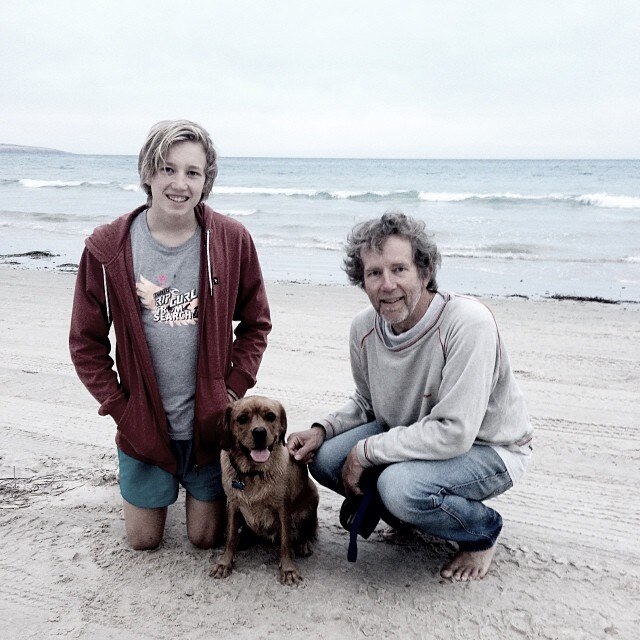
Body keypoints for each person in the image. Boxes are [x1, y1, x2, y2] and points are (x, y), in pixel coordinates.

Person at [288, 211, 532, 581]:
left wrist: (366, 452)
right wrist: (323, 429)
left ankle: (481, 533)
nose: (387, 285)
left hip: (488, 447)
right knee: (324, 458)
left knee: (398, 487)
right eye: (374, 273)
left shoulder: (467, 323)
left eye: (399, 269)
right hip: (412, 435)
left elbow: (454, 432)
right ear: (362, 280)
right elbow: (367, 403)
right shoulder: (364, 328)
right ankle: (405, 517)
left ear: (425, 271)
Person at [69, 120, 271, 551]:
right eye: (167, 169)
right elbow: (85, 342)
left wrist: (232, 388)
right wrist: (120, 407)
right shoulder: (109, 248)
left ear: (206, 180)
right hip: (144, 425)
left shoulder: (232, 240)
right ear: (147, 173)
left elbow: (256, 324)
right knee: (143, 541)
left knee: (205, 538)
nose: (179, 183)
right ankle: (152, 485)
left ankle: (195, 491)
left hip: (209, 425)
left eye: (192, 172)